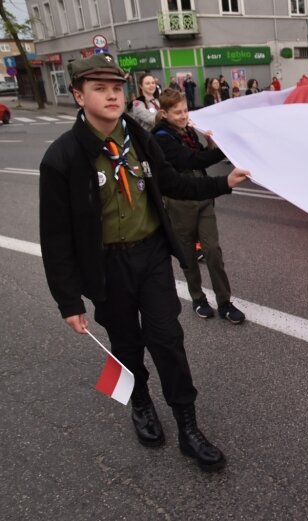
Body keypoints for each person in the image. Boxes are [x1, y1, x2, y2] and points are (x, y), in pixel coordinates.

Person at [39, 54, 250, 472]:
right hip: (106, 268)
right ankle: (140, 405)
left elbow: (171, 181)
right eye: (99, 88)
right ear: (79, 96)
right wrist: (69, 302)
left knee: (167, 340)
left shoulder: (139, 137)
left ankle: (188, 427)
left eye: (116, 87)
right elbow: (56, 236)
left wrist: (222, 183)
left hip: (151, 256)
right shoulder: (61, 157)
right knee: (126, 346)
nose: (112, 94)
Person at [152, 88, 246, 324]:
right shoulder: (161, 137)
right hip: (180, 203)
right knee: (188, 255)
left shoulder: (187, 132)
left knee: (213, 251)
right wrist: (225, 149)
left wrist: (212, 144)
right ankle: (198, 298)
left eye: (185, 110)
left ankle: (224, 302)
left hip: (203, 198)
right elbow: (189, 160)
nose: (183, 116)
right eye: (177, 112)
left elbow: (198, 155)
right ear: (164, 113)